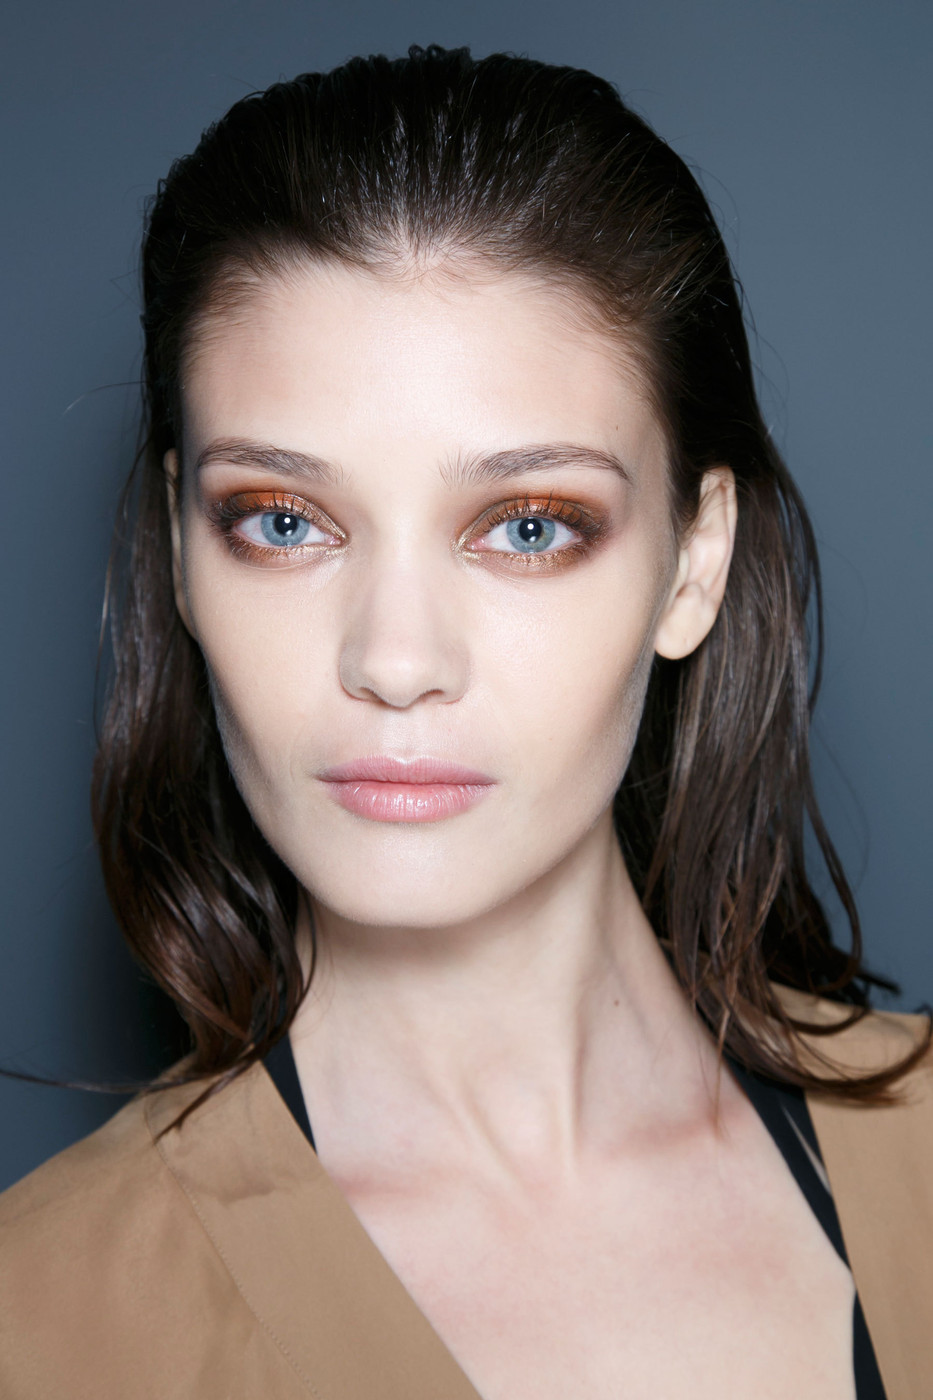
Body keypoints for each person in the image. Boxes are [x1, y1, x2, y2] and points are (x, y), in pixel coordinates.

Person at [0, 43, 930, 1400]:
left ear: (693, 564)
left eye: (527, 526)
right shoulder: (41, 1318)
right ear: (180, 559)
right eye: (283, 522)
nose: (395, 661)